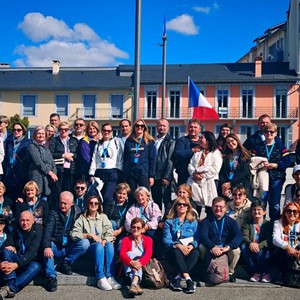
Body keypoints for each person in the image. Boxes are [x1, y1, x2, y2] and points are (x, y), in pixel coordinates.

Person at [70, 195, 121, 291]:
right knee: (98, 245)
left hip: (102, 245)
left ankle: (110, 276)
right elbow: (73, 233)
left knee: (109, 244)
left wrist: (105, 240)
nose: (93, 205)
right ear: (87, 205)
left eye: (96, 203)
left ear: (99, 205)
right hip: (90, 249)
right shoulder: (82, 218)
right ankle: (100, 277)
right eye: (91, 203)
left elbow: (109, 232)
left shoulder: (103, 217)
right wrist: (88, 235)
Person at [42, 191, 83, 292]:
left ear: (72, 203)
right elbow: (47, 231)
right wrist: (46, 246)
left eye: (65, 203)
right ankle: (51, 277)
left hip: (69, 245)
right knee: (48, 247)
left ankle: (66, 262)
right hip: (56, 245)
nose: (62, 205)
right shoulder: (53, 212)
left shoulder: (78, 212)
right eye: (61, 202)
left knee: (84, 243)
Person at [251, 122, 290, 221]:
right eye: (266, 131)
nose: (269, 133)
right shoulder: (258, 146)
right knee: (261, 202)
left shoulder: (280, 146)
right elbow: (251, 160)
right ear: (263, 133)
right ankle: (261, 226)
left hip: (276, 177)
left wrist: (276, 165)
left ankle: (274, 226)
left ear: (276, 133)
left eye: (272, 132)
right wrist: (260, 164)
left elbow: (287, 161)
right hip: (261, 177)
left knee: (275, 204)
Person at [199, 197, 243, 283]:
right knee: (201, 247)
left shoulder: (231, 222)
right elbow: (203, 236)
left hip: (225, 247)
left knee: (236, 250)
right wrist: (212, 247)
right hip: (211, 248)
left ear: (225, 208)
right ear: (212, 207)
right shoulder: (206, 221)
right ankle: (206, 270)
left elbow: (238, 236)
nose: (218, 209)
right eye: (216, 206)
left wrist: (228, 247)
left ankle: (229, 272)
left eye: (221, 207)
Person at [0, 211, 42, 299]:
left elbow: (32, 252)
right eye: (22, 220)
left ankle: (9, 287)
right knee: (5, 251)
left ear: (33, 221)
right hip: (17, 257)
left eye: (27, 220)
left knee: (36, 267)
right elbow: (5, 244)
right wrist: (2, 262)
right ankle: (9, 283)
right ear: (19, 221)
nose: (25, 223)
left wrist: (16, 265)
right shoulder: (17, 229)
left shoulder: (38, 230)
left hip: (30, 261)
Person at [163, 197, 200, 293]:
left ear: (188, 207)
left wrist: (192, 245)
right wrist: (178, 245)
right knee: (176, 250)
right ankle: (188, 280)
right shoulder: (169, 221)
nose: (182, 206)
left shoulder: (193, 222)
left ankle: (177, 278)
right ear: (175, 207)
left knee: (196, 252)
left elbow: (197, 238)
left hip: (188, 248)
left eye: (184, 204)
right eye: (179, 204)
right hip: (173, 250)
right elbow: (166, 240)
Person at [187, 131, 223, 217]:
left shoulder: (216, 153)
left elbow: (215, 169)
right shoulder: (198, 152)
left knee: (210, 205)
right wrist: (194, 174)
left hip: (210, 181)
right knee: (194, 206)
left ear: (208, 140)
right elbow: (190, 165)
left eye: (202, 138)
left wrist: (202, 176)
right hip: (195, 182)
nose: (200, 139)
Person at [89, 123, 122, 215]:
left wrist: (119, 171)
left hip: (112, 172)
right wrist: (91, 173)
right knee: (97, 197)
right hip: (99, 172)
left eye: (109, 131)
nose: (106, 132)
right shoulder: (98, 144)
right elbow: (94, 159)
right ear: (101, 131)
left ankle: (106, 217)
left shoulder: (116, 142)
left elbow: (120, 158)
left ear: (112, 132)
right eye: (104, 130)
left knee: (108, 197)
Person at [241, 200, 273, 283]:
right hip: (251, 248)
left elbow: (269, 239)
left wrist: (259, 245)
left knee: (259, 251)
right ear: (251, 212)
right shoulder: (247, 224)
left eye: (259, 210)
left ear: (264, 212)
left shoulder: (268, 224)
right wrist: (251, 243)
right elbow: (244, 236)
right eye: (254, 209)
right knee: (243, 246)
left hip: (264, 249)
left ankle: (266, 273)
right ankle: (257, 272)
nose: (256, 212)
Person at [120, 217, 153, 296]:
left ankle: (133, 283)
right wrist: (132, 262)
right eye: (133, 227)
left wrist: (139, 264)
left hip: (142, 266)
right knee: (129, 253)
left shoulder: (148, 240)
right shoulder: (126, 239)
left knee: (137, 260)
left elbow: (148, 254)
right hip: (129, 266)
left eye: (138, 227)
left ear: (142, 230)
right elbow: (122, 254)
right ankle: (135, 283)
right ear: (131, 229)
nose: (135, 229)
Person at [25, 126, 58, 200]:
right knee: (36, 198)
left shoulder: (46, 148)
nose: (41, 135)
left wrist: (54, 173)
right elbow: (38, 161)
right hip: (37, 177)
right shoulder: (32, 147)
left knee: (45, 201)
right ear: (35, 135)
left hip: (47, 179)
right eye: (39, 133)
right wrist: (50, 173)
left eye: (43, 134)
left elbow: (52, 162)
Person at [123, 119, 156, 192]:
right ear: (134, 127)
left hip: (143, 173)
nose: (139, 127)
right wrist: (125, 174)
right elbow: (125, 158)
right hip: (131, 173)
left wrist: (151, 176)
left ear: (144, 128)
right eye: (137, 126)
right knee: (131, 196)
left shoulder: (149, 142)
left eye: (142, 126)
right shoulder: (129, 141)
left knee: (144, 194)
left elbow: (152, 160)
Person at [151, 118, 175, 215]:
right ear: (157, 127)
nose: (162, 127)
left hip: (164, 176)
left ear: (168, 128)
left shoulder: (171, 141)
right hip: (154, 175)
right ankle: (157, 220)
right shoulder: (153, 140)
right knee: (156, 201)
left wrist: (167, 176)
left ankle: (166, 220)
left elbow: (170, 160)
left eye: (164, 125)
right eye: (160, 125)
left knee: (166, 200)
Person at [272, 202, 300, 284]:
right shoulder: (278, 223)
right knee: (281, 251)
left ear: (298, 214)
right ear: (285, 212)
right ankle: (282, 274)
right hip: (285, 252)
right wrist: (287, 247)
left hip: (297, 250)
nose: (291, 213)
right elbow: (275, 238)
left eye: (294, 211)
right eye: (289, 211)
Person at [219, 133, 251, 200]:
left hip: (240, 186)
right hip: (227, 187)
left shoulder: (245, 155)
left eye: (232, 141)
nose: (230, 143)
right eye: (228, 143)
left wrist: (231, 183)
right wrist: (225, 185)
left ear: (237, 141)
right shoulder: (225, 156)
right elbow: (221, 172)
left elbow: (245, 172)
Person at [4, 122, 31, 200]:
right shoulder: (9, 142)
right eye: (14, 130)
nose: (16, 131)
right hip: (10, 172)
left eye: (18, 130)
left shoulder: (27, 142)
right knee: (9, 196)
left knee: (20, 197)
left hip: (21, 172)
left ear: (23, 131)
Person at [49, 122, 78, 192]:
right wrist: (63, 155)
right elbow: (50, 154)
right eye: (61, 129)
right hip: (59, 170)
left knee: (68, 191)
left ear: (69, 130)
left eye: (66, 129)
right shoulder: (54, 140)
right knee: (58, 192)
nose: (63, 131)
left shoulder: (73, 140)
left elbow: (77, 154)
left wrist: (72, 155)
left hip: (71, 170)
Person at [173, 118, 202, 186]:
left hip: (199, 175)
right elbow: (178, 154)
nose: (193, 129)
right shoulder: (182, 140)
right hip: (184, 174)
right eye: (191, 127)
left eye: (195, 127)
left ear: (199, 129)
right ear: (188, 128)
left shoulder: (202, 141)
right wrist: (192, 150)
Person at [105, 183, 132, 254]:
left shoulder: (130, 206)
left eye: (124, 194)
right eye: (120, 193)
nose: (121, 196)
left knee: (121, 246)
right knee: (112, 222)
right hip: (111, 230)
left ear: (127, 195)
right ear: (116, 193)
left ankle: (118, 261)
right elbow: (105, 219)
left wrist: (120, 230)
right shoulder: (110, 204)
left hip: (125, 230)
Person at [115, 119, 131, 183]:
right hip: (120, 168)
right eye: (122, 126)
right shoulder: (115, 139)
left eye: (126, 126)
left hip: (131, 167)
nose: (124, 128)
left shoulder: (134, 139)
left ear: (130, 127)